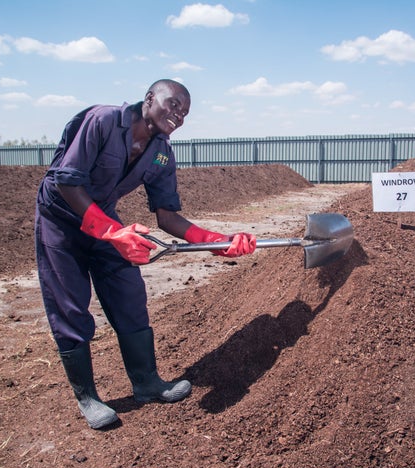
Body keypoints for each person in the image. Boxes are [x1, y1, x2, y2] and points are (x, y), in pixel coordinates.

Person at [34, 79, 256, 429]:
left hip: (106, 222)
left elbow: (166, 215)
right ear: (149, 98)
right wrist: (111, 231)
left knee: (129, 297)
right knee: (71, 307)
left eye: (185, 111)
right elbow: (66, 181)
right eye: (173, 104)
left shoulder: (162, 151)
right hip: (61, 220)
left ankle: (147, 383)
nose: (179, 114)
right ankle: (88, 397)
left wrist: (214, 240)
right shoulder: (103, 120)